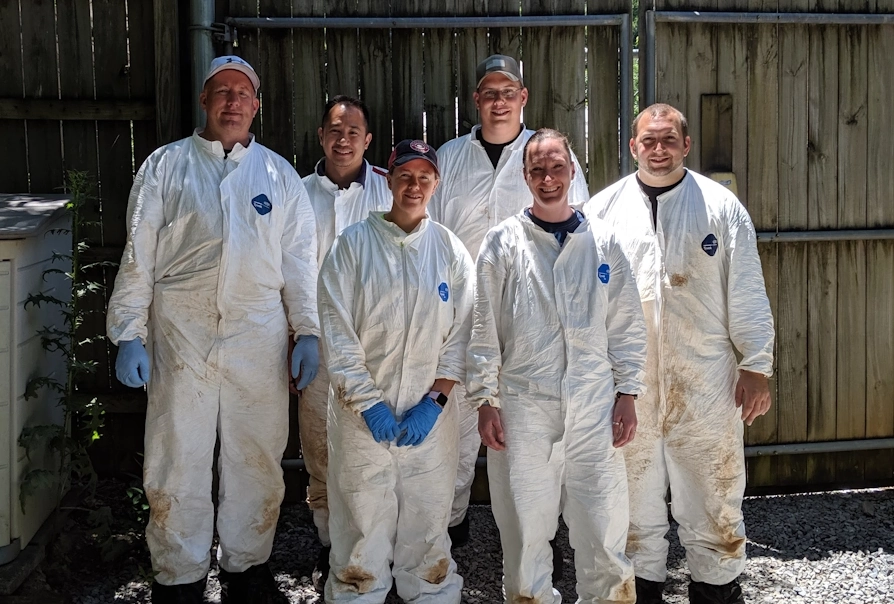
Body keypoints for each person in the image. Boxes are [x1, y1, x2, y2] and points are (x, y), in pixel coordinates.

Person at [106, 55, 319, 604]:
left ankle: (247, 567)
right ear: (204, 101)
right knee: (178, 456)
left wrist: (309, 330)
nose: (232, 102)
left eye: (242, 93)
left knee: (257, 457)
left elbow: (300, 263)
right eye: (221, 92)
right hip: (182, 334)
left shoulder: (278, 175)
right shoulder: (165, 166)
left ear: (256, 105)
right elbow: (139, 255)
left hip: (259, 337)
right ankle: (179, 575)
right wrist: (129, 331)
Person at [585, 104, 775, 604]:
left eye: (669, 139)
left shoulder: (720, 207)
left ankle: (716, 591)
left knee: (714, 495)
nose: (659, 148)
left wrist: (756, 364)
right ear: (633, 146)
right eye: (649, 140)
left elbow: (748, 290)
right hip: (626, 384)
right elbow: (582, 303)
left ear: (685, 145)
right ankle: (640, 590)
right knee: (630, 502)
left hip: (707, 381)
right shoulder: (601, 212)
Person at [467, 128, 648, 604]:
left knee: (604, 527)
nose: (548, 178)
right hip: (524, 410)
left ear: (572, 170)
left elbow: (626, 325)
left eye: (557, 167)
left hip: (594, 408)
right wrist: (486, 400)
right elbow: (483, 328)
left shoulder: (603, 242)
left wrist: (627, 392)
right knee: (526, 532)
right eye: (537, 169)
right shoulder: (502, 243)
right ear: (525, 176)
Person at [428, 54, 590, 557]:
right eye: (489, 92)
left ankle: (541, 542)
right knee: (452, 437)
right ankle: (446, 536)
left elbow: (577, 233)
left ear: (523, 98)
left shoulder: (546, 155)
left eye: (508, 91)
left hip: (531, 321)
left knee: (531, 436)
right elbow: (428, 237)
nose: (499, 101)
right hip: (459, 318)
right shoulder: (450, 157)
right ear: (476, 101)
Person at [318, 139, 473, 603]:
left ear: (436, 183)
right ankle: (357, 593)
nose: (414, 185)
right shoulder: (352, 245)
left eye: (424, 177)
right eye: (405, 175)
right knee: (361, 525)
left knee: (427, 528)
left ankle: (429, 594)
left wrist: (436, 400)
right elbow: (336, 330)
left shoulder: (448, 249)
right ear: (388, 179)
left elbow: (463, 332)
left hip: (432, 417)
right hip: (361, 418)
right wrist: (368, 405)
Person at [300, 94, 392, 592]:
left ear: (368, 139)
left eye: (354, 131)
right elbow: (288, 270)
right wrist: (299, 336)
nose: (344, 140)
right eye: (335, 130)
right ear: (321, 135)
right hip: (317, 345)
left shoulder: (388, 192)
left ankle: (385, 545)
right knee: (321, 448)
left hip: (380, 345)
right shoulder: (298, 194)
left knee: (379, 447)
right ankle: (330, 542)